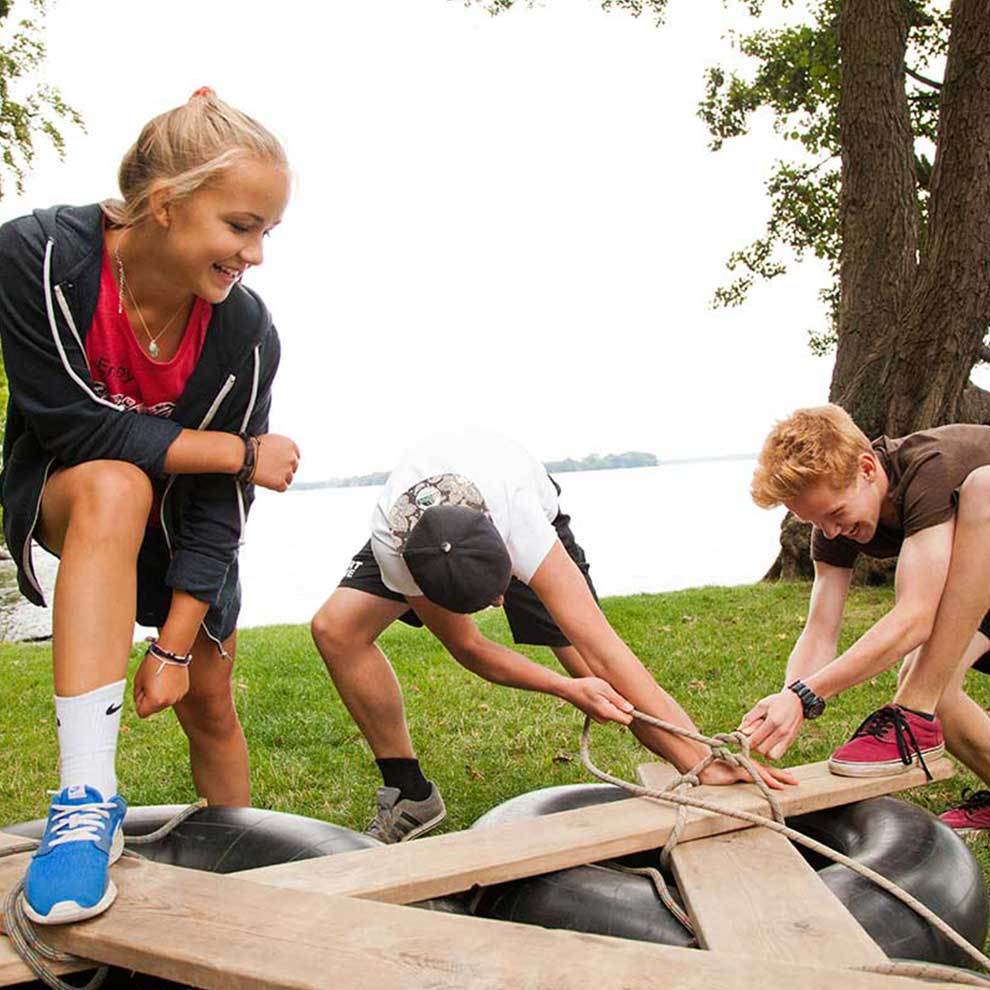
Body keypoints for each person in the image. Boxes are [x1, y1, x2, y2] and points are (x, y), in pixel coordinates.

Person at [0, 89, 299, 923]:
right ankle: (86, 805)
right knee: (112, 480)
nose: (256, 254)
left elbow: (217, 513)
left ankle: (247, 873)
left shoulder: (245, 335)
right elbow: (66, 419)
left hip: (186, 535)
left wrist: (170, 647)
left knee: (209, 703)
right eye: (241, 226)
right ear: (167, 205)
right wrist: (239, 452)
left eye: (267, 232)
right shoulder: (37, 255)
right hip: (77, 500)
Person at [311, 430, 795, 844]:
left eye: (500, 591)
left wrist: (702, 757)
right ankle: (409, 793)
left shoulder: (521, 523)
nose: (501, 604)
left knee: (587, 666)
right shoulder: (394, 545)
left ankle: (690, 766)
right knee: (336, 629)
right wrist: (563, 692)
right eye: (487, 603)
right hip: (426, 518)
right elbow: (469, 647)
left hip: (506, 491)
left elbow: (605, 652)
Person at [741, 405, 990, 833]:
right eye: (816, 521)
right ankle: (921, 719)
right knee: (937, 686)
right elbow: (820, 630)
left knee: (986, 486)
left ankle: (912, 717)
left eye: (835, 514)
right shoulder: (833, 525)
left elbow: (916, 617)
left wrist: (808, 694)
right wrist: (787, 704)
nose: (831, 531)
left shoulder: (928, 469)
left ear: (868, 468)